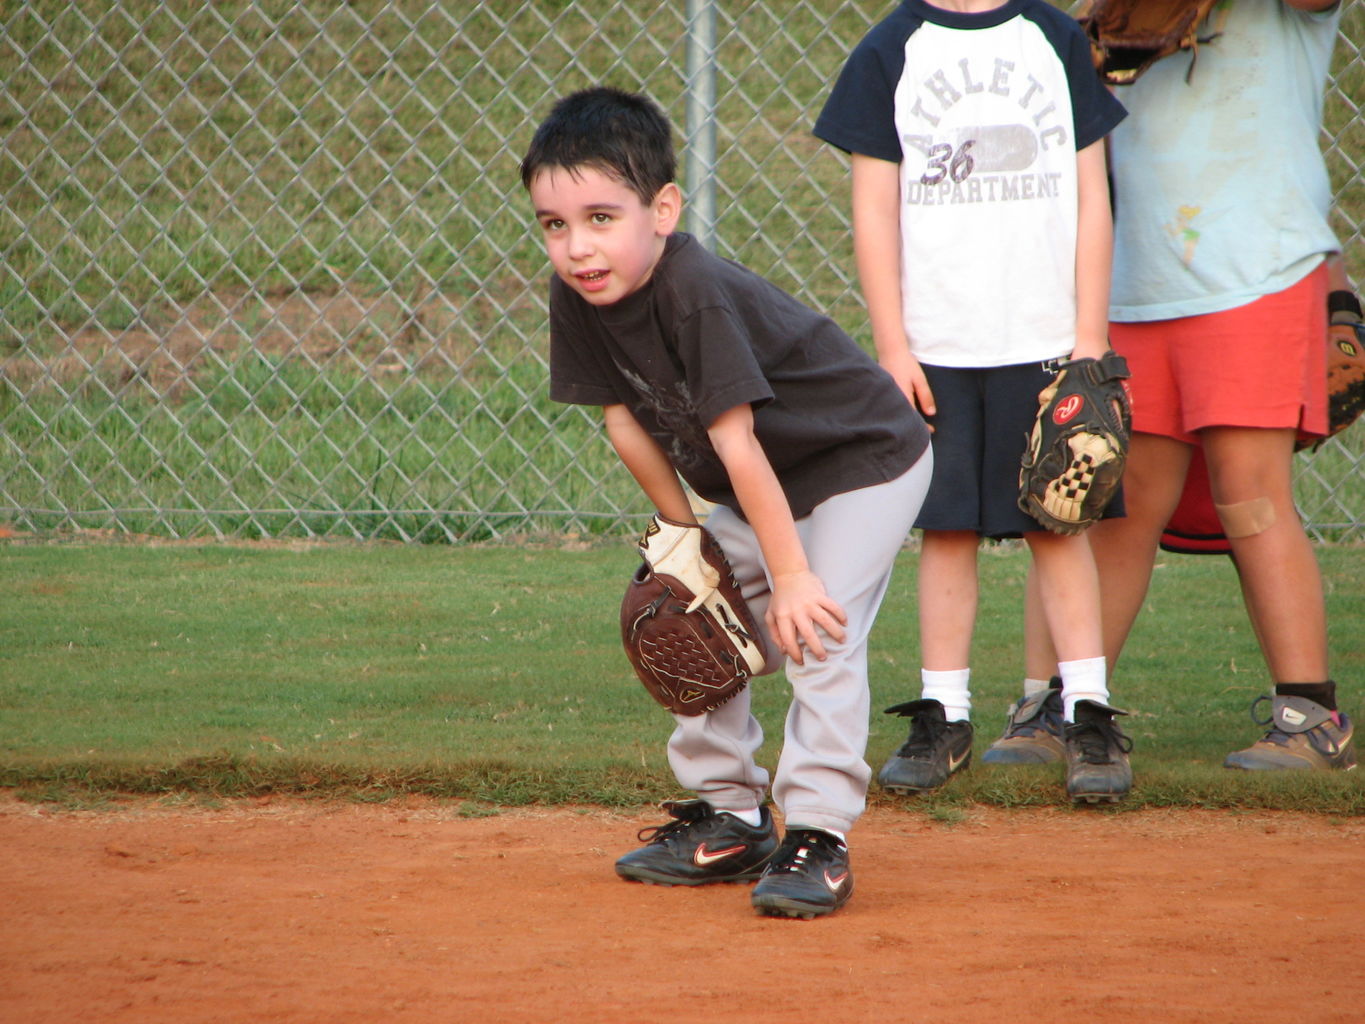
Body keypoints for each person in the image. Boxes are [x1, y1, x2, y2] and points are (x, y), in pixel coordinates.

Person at [519, 87, 934, 918]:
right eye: (554, 224)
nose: (576, 247)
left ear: (662, 208)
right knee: (686, 617)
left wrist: (790, 575)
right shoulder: (578, 295)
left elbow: (737, 443)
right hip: (767, 485)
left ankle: (818, 833)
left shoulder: (692, 289)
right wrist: (685, 539)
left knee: (815, 628)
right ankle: (732, 815)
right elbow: (623, 421)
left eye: (601, 217)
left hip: (862, 460)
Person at [813, 0, 1134, 802]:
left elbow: (1093, 194)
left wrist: (1088, 335)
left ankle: (1085, 712)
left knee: (1058, 526)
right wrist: (893, 348)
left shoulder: (1054, 39)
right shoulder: (891, 48)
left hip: (1047, 337)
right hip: (937, 346)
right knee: (946, 529)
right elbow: (873, 209)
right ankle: (944, 716)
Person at [1079, 0, 1356, 772]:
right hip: (1136, 276)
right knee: (1119, 505)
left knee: (1249, 493)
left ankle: (1309, 715)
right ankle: (1071, 707)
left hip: (1253, 268)